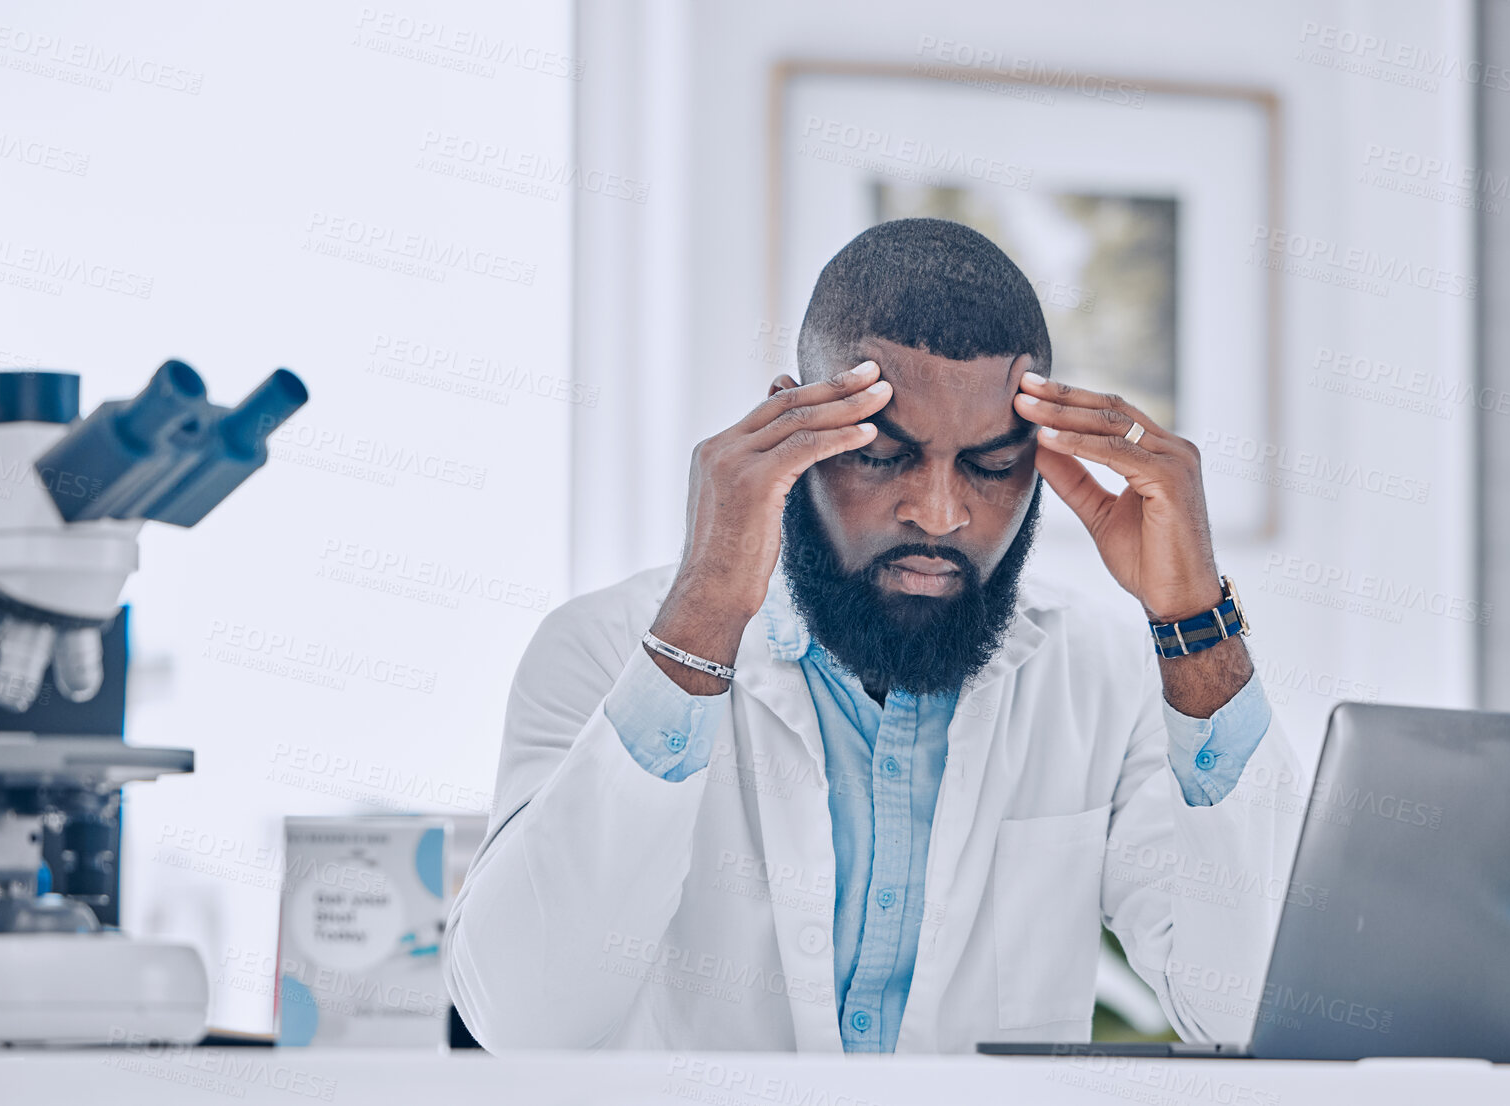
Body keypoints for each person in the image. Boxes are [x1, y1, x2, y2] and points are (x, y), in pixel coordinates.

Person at [443, 218, 1303, 1053]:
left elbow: (1251, 1011)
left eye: (993, 466)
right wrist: (706, 611)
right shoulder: (603, 648)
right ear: (793, 432)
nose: (939, 513)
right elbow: (522, 1019)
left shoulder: (1106, 680)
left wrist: (1194, 621)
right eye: (882, 456)